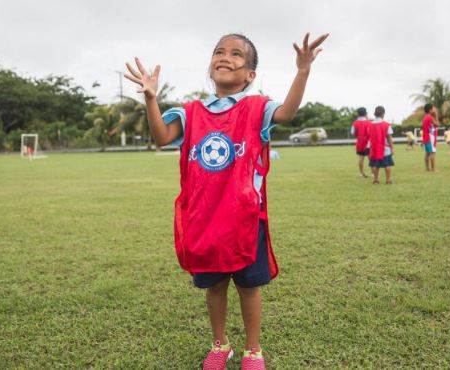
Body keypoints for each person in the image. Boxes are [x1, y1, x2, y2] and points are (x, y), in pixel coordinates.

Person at [124, 32, 328, 369]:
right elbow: (161, 137)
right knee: (214, 285)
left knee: (249, 286)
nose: (225, 57)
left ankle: (253, 350)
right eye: (219, 51)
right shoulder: (190, 112)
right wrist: (151, 99)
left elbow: (288, 114)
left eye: (236, 54)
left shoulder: (256, 107)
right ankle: (220, 345)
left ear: (249, 75)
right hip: (203, 217)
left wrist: (302, 70)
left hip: (244, 217)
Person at [368, 106, 394, 184]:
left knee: (376, 165)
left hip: (375, 148)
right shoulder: (386, 125)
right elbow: (389, 138)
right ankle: (388, 180)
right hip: (385, 148)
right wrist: (392, 148)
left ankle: (375, 180)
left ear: (375, 114)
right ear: (383, 114)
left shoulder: (370, 124)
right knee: (387, 165)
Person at [351, 107, 372, 178]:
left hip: (360, 142)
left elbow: (352, 132)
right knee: (370, 157)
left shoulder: (355, 123)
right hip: (368, 143)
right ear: (366, 113)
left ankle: (361, 173)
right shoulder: (369, 122)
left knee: (361, 158)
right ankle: (373, 173)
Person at [421, 104, 439, 172]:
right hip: (430, 137)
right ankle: (433, 169)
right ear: (430, 110)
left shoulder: (425, 117)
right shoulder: (430, 117)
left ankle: (427, 168)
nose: (434, 110)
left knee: (427, 153)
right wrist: (436, 115)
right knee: (432, 153)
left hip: (426, 137)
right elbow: (437, 124)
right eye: (433, 108)